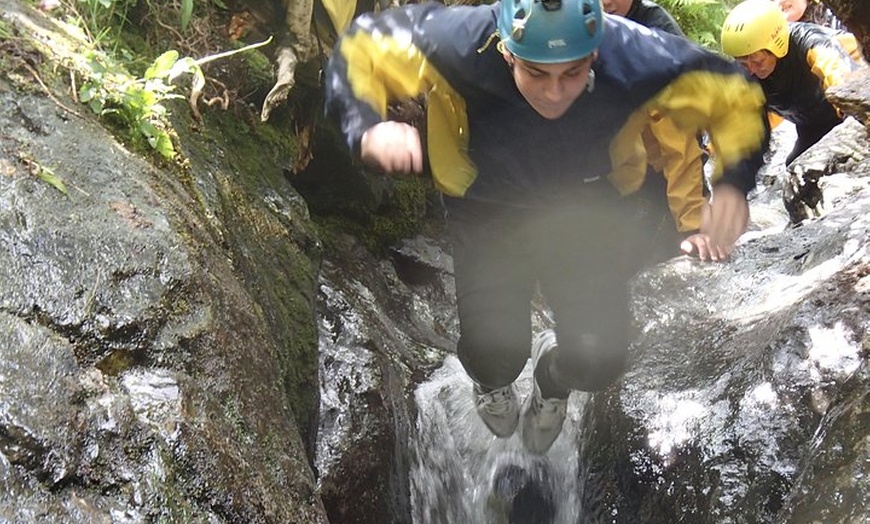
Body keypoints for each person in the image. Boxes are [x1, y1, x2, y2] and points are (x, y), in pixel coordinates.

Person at [325, 0, 768, 454]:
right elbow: (361, 49)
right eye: (537, 73)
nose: (555, 92)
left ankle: (551, 380)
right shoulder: (462, 42)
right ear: (507, 53)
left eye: (573, 72)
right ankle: (492, 382)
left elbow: (732, 93)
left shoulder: (630, 50)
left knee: (598, 362)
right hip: (487, 207)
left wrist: (733, 182)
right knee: (495, 353)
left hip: (584, 205)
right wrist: (364, 125)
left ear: (595, 53)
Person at [602, 0, 712, 264]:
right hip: (623, 165)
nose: (605, 2)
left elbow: (681, 146)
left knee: (675, 249)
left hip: (667, 167)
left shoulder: (659, 41)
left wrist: (693, 226)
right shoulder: (578, 27)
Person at [722, 0, 863, 166]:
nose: (751, 69)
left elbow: (838, 75)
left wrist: (854, 115)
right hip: (811, 126)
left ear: (776, 45)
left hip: (845, 114)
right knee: (794, 165)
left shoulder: (810, 43)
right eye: (743, 63)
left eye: (758, 61)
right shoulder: (744, 75)